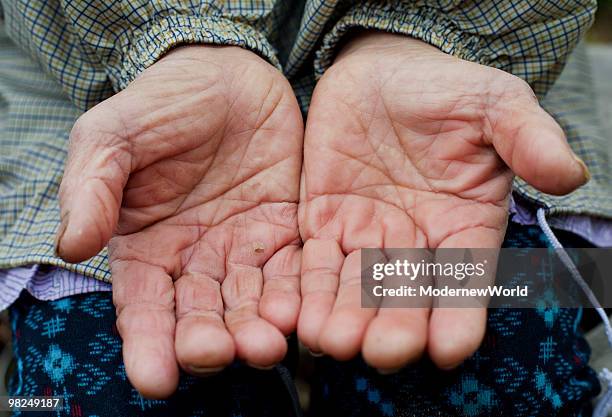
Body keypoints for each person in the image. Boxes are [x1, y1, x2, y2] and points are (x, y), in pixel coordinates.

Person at [0, 0, 609, 415]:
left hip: (455, 121)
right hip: (104, 96)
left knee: (498, 366)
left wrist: (423, 34)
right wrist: (172, 37)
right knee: (88, 394)